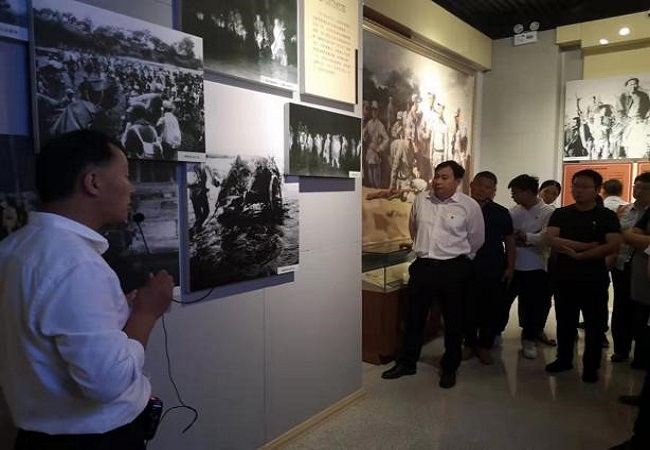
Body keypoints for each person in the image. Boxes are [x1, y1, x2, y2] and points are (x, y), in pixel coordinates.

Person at [0, 130, 174, 449]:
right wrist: (146, 312)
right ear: (93, 182)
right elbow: (108, 382)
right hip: (95, 441)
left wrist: (119, 309)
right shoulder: (76, 264)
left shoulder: (13, 247)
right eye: (125, 175)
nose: (131, 187)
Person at [381, 160, 485, 388]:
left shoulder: (469, 206)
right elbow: (413, 228)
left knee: (454, 321)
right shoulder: (422, 200)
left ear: (457, 181)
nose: (437, 181)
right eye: (436, 176)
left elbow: (476, 240)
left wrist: (459, 259)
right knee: (414, 318)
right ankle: (407, 363)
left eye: (444, 177)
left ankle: (450, 367)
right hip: (423, 267)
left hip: (453, 269)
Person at [545, 169, 621, 383]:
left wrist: (581, 256)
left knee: (594, 326)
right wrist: (586, 246)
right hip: (564, 277)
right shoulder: (561, 213)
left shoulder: (606, 216)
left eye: (585, 187)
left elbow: (613, 245)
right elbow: (551, 239)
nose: (578, 191)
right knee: (565, 322)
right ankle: (564, 359)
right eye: (575, 186)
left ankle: (591, 366)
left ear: (597, 190)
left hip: (594, 279)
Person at [462, 171, 515, 365]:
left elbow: (509, 241)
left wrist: (511, 266)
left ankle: (485, 346)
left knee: (491, 308)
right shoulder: (460, 209)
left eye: (487, 187)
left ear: (493, 191)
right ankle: (469, 344)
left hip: (493, 266)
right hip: (466, 266)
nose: (481, 190)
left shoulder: (501, 212)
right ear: (471, 185)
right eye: (478, 185)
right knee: (467, 307)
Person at [500, 175, 556, 359]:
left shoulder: (549, 212)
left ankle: (529, 338)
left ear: (528, 192)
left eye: (515, 192)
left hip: (537, 266)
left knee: (533, 305)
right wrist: (530, 237)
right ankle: (495, 333)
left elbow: (546, 238)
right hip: (512, 264)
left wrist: (525, 236)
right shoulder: (513, 212)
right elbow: (507, 236)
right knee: (502, 302)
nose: (513, 196)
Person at [610, 173, 650, 364]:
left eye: (645, 188)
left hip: (643, 267)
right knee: (621, 307)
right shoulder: (623, 210)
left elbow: (630, 237)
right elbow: (615, 236)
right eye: (637, 186)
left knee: (641, 310)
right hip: (622, 264)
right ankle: (621, 349)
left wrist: (631, 237)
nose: (639, 191)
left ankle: (641, 354)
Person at [616, 77, 650, 159]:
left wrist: (646, 119)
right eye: (631, 84)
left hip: (641, 123)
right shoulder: (623, 96)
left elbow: (648, 109)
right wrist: (628, 121)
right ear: (626, 86)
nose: (633, 86)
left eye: (635, 84)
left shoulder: (643, 96)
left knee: (643, 145)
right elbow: (620, 112)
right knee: (629, 145)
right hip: (629, 123)